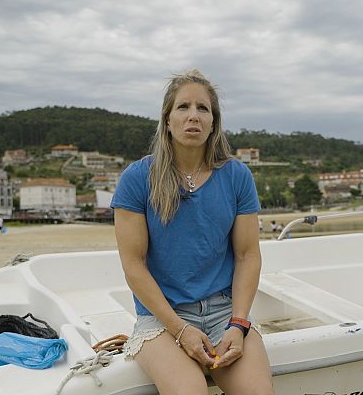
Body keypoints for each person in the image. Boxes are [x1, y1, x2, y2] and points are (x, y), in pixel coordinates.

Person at [111, 70, 274, 395]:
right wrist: (180, 329)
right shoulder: (137, 178)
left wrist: (239, 323)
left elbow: (247, 255)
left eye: (203, 109)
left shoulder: (237, 176)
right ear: (167, 119)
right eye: (183, 107)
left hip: (224, 311)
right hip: (161, 318)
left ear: (214, 122)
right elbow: (134, 266)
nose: (193, 116)